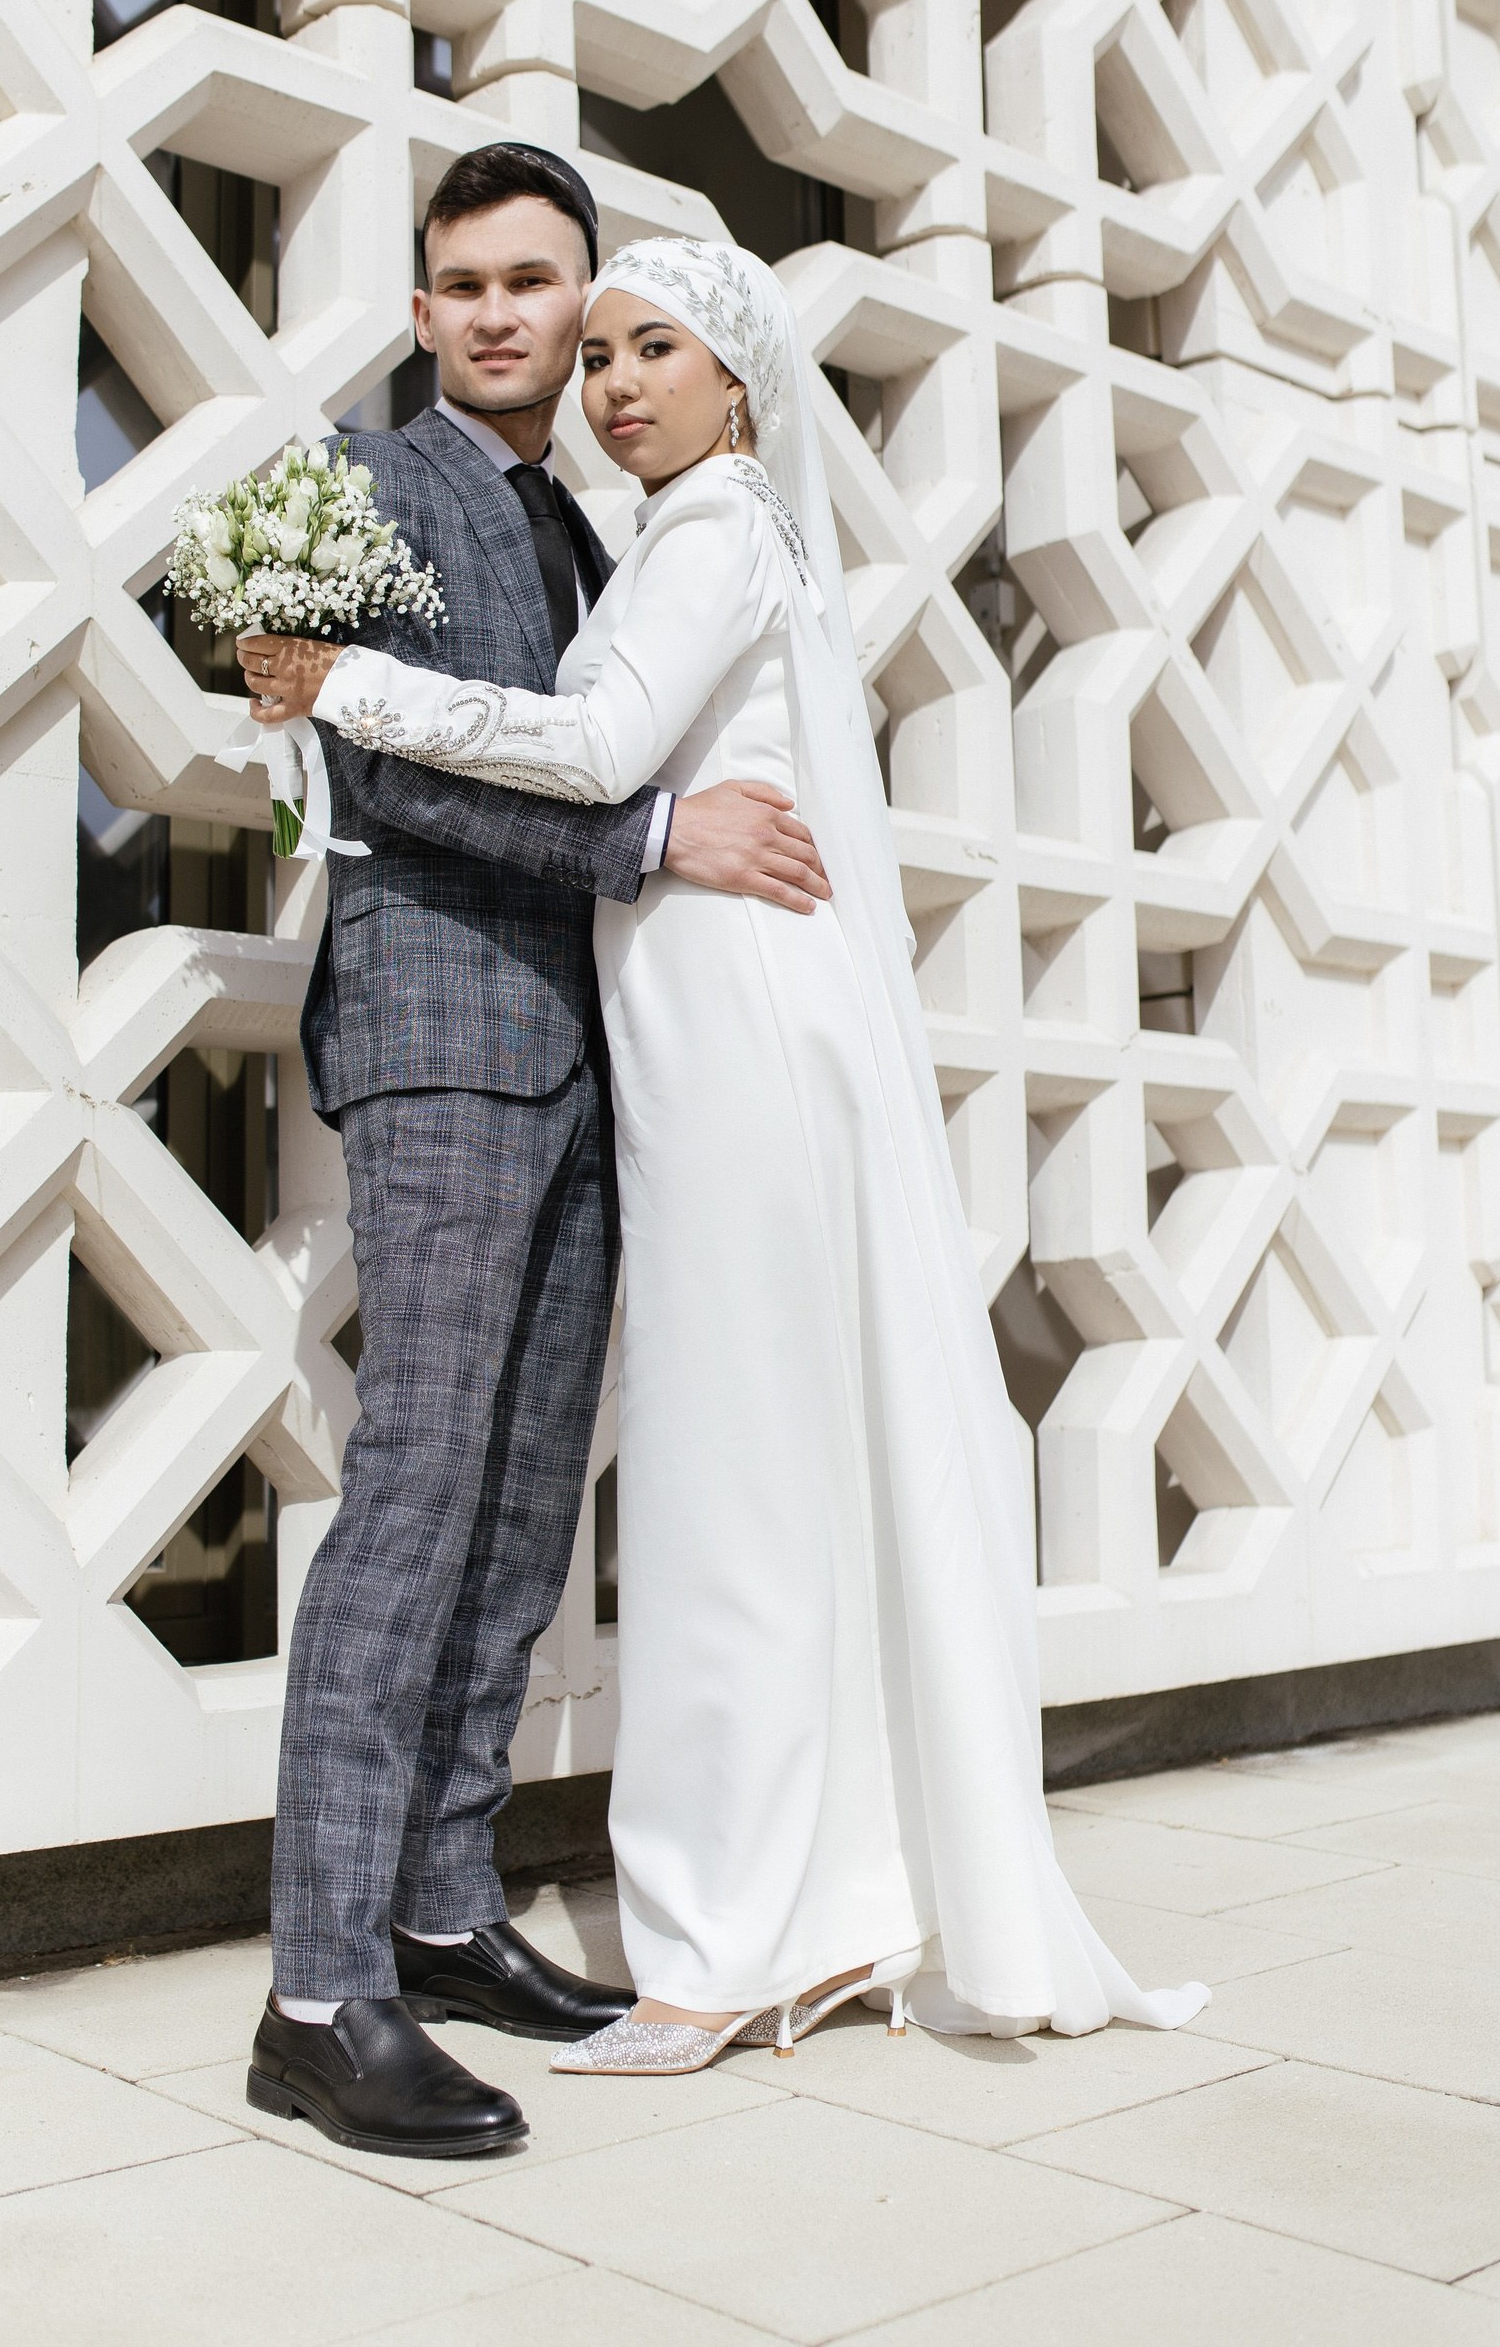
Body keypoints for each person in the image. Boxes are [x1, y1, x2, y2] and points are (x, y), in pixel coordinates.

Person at [242, 235, 1211, 2066]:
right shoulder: (542, 509)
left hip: (725, 1025)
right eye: (595, 348)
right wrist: (367, 709)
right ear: (426, 313)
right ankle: (497, 1950)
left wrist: (352, 684)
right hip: (621, 1026)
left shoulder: (696, 530)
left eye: (644, 345)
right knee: (678, 1463)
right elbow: (611, 779)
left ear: (740, 384)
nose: (608, 378)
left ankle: (708, 1933)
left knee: (713, 1465)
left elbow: (604, 744)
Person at [247, 159, 836, 2157]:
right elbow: (364, 760)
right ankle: (318, 1992)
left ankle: (441, 1906)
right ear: (422, 313)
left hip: (600, 1058)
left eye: (536, 285)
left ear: (588, 312)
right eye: (463, 285)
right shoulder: (356, 482)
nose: (501, 315)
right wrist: (653, 841)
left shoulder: (606, 528)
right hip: (439, 1041)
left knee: (517, 1519)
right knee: (416, 1494)